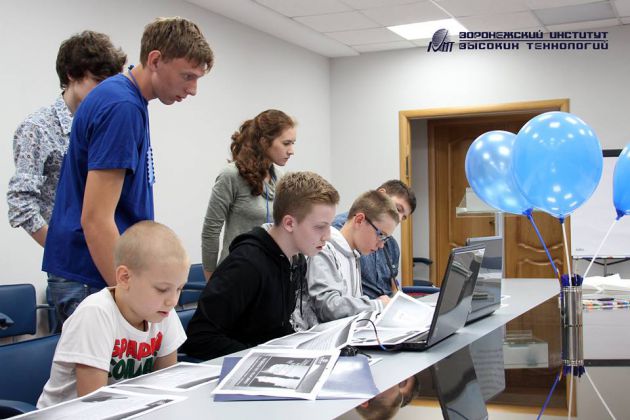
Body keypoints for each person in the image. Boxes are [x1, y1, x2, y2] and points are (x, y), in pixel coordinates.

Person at [42, 17, 214, 325]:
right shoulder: (122, 106)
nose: (193, 89)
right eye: (187, 76)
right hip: (91, 275)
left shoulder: (126, 99)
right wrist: (128, 302)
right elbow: (96, 219)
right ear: (155, 60)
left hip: (91, 272)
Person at [182, 171, 339, 360]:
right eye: (320, 227)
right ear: (289, 223)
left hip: (271, 361)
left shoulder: (296, 260)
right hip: (241, 368)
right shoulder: (246, 265)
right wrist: (258, 358)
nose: (328, 236)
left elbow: (276, 328)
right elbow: (200, 337)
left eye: (329, 226)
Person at [37, 221, 189, 408]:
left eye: (179, 289)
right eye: (162, 289)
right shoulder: (95, 314)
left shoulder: (162, 310)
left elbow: (168, 386)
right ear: (125, 277)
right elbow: (93, 404)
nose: (173, 300)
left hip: (126, 409)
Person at [7, 30, 126, 247]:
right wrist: (60, 251)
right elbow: (21, 203)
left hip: (108, 246)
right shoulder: (37, 128)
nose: (105, 91)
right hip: (70, 258)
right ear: (72, 74)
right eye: (98, 81)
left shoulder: (106, 124)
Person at [201, 109, 296, 280]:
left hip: (269, 274)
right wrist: (211, 280)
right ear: (264, 142)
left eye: (293, 143)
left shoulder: (281, 178)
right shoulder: (231, 175)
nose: (291, 151)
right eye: (286, 143)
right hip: (236, 274)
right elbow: (211, 230)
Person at [293, 190, 399, 330]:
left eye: (386, 239)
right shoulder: (324, 250)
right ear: (359, 220)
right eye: (381, 235)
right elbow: (329, 308)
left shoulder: (354, 254)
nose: (381, 245)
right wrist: (377, 305)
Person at [332, 180, 416, 298]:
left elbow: (394, 287)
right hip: (364, 306)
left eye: (404, 217)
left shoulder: (392, 245)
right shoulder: (339, 232)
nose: (399, 218)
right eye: (398, 209)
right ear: (381, 194)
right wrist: (377, 305)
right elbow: (335, 300)